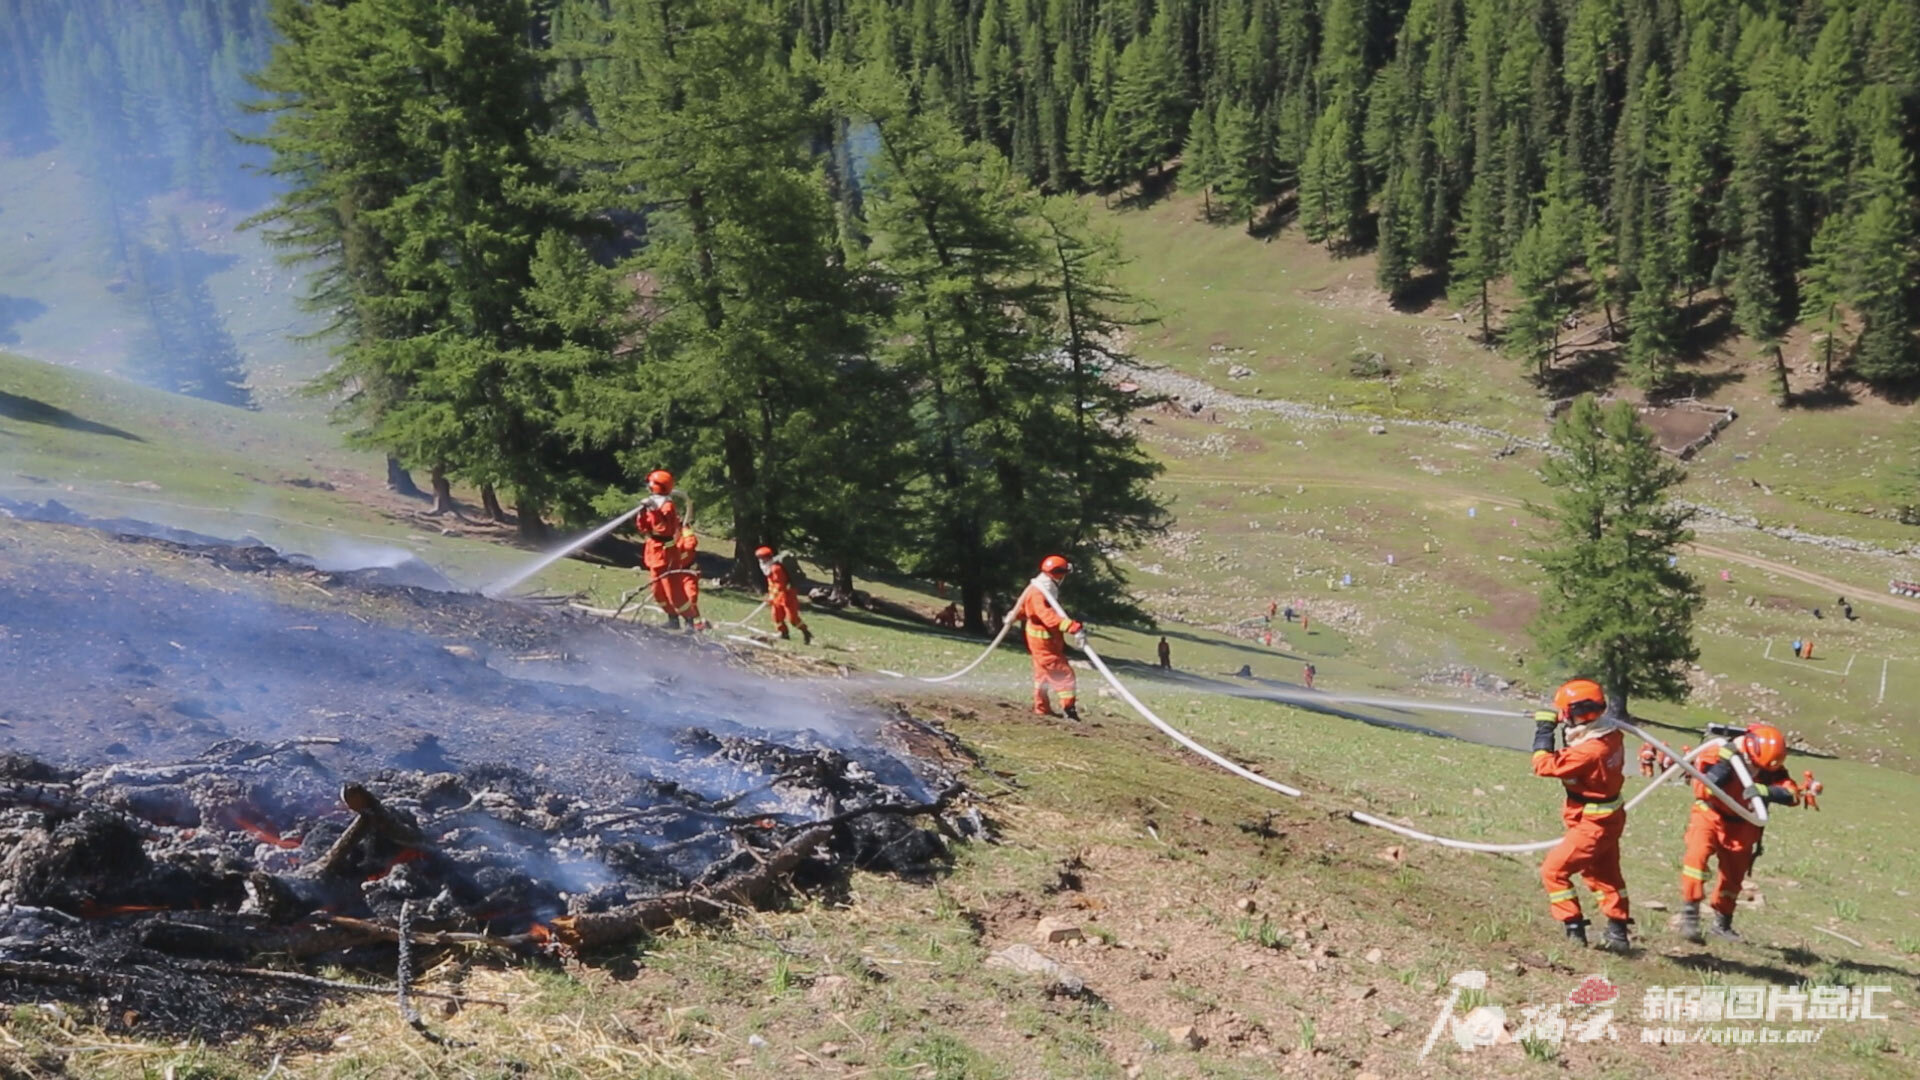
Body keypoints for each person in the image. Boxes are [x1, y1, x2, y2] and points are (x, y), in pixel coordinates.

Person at [1676, 723, 1806, 942]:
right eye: (1754, 766)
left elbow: (1792, 795)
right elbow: (1703, 788)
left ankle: (1722, 923)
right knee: (1695, 861)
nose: (1756, 771)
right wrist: (1725, 765)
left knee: (1733, 877)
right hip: (1710, 814)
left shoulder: (1769, 768)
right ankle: (1690, 914)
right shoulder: (1717, 752)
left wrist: (1766, 791)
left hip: (1744, 823)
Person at [1531, 679, 1632, 951]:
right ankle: (1618, 933)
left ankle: (1573, 930)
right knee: (1605, 875)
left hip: (1593, 822)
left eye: (1566, 712)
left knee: (1554, 871)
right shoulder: (1609, 734)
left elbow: (1543, 766)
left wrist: (1544, 730)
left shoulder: (1590, 750)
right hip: (1605, 817)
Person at [1012, 555, 1085, 720]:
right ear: (1059, 574)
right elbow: (1048, 617)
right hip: (1044, 642)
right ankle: (1069, 709)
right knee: (1063, 673)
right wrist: (1073, 627)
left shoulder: (1042, 587)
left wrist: (1014, 616)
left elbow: (1026, 608)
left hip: (1043, 640)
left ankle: (1042, 708)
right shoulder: (1040, 591)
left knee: (1042, 675)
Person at [634, 470, 704, 631]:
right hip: (654, 551)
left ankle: (689, 621)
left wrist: (653, 510)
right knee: (658, 591)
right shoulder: (656, 502)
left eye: (651, 483)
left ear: (659, 486)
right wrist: (642, 512)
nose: (649, 486)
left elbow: (663, 529)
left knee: (674, 592)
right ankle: (672, 619)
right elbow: (644, 528)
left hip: (666, 554)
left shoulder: (667, 506)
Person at [756, 546, 811, 644]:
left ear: (766, 557)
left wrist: (773, 595)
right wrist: (771, 595)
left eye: (761, 558)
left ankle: (805, 632)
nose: (760, 560)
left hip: (787, 595)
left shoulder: (776, 568)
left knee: (792, 619)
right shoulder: (768, 568)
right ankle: (783, 633)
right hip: (776, 597)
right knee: (776, 616)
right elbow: (772, 584)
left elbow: (780, 584)